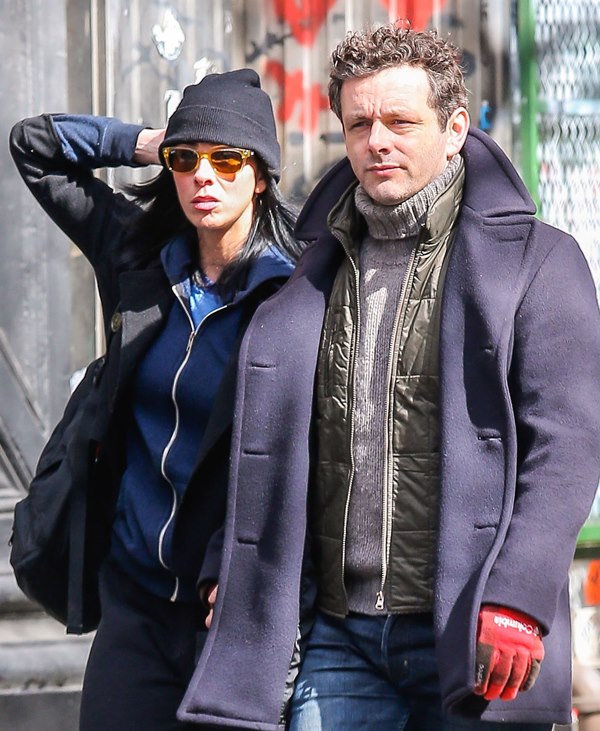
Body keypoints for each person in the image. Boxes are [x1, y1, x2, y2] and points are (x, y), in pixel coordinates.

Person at [173, 23, 600, 731]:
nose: (377, 142)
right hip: (337, 633)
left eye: (400, 122)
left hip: (470, 624)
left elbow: (569, 445)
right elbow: (264, 435)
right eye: (359, 124)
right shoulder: (306, 267)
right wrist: (232, 564)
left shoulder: (539, 262)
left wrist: (519, 596)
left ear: (454, 128)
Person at [9, 68, 303, 731]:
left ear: (260, 175)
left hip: (228, 612)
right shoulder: (139, 257)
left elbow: (301, 456)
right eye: (187, 160)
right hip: (133, 600)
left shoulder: (292, 295)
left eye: (227, 159)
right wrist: (146, 142)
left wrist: (248, 569)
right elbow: (34, 145)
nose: (205, 176)